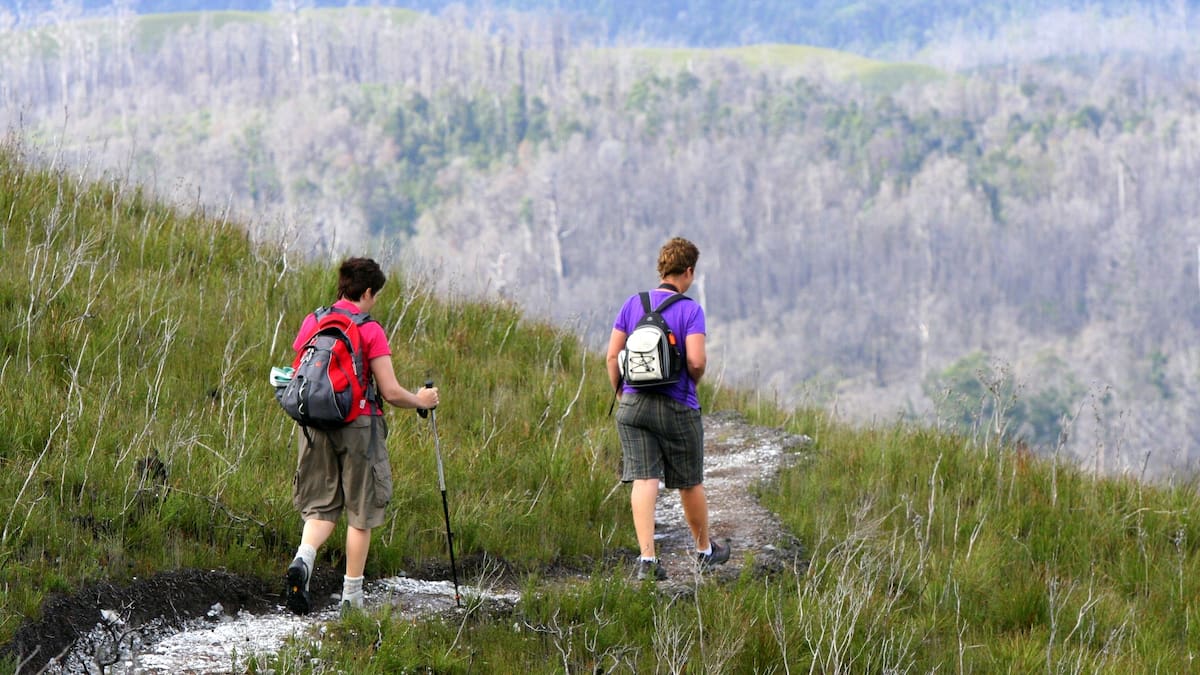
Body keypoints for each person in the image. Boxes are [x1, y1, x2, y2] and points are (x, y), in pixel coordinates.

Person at [285, 257, 439, 614]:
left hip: (313, 425)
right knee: (360, 512)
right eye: (375, 295)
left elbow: (300, 370)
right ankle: (352, 600)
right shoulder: (370, 329)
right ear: (367, 291)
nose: (375, 301)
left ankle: (303, 560)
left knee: (321, 507)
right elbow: (390, 391)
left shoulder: (315, 320)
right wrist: (422, 400)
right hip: (359, 426)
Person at [605, 237, 729, 581]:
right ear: (688, 272)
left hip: (632, 405)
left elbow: (612, 356)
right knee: (689, 481)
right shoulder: (690, 310)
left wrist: (622, 393)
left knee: (644, 479)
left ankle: (647, 561)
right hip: (677, 405)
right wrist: (692, 382)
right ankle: (705, 551)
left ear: (662, 269)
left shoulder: (633, 304)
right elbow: (697, 361)